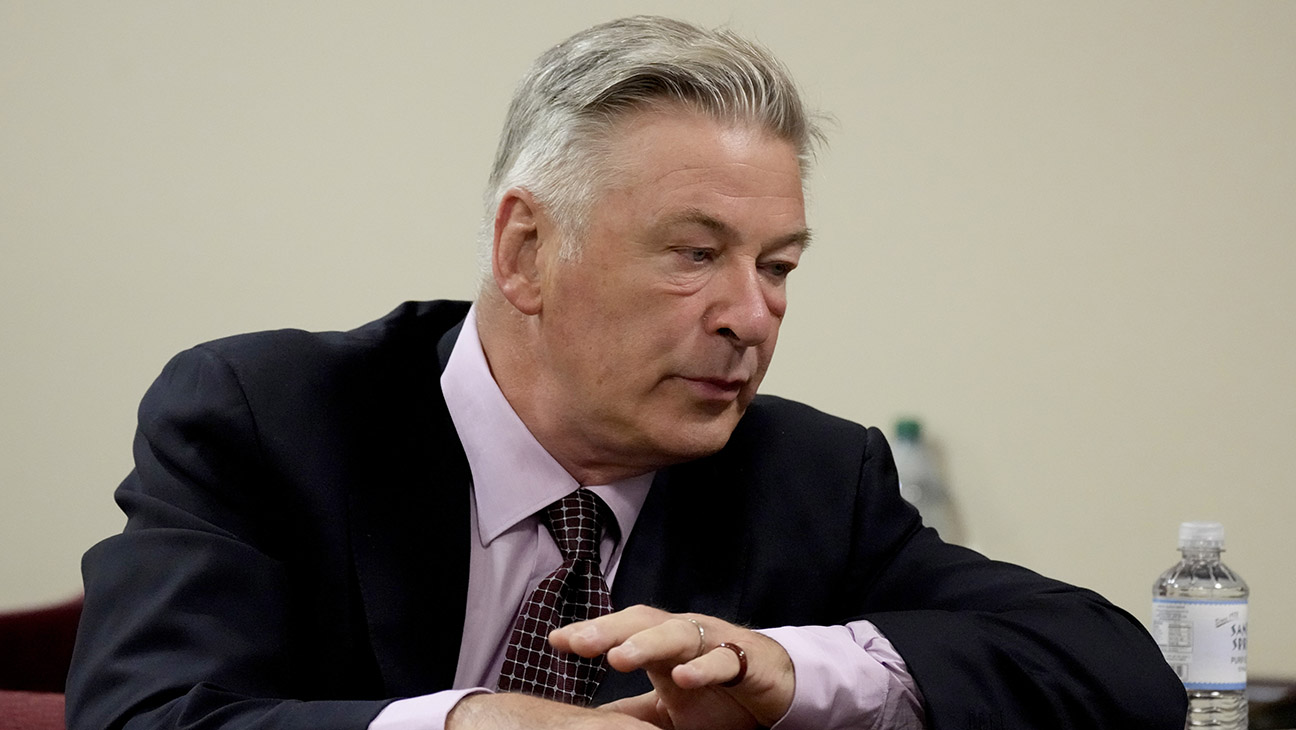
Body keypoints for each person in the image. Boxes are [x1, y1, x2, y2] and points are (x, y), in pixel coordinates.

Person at [66, 15, 1187, 730]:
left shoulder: (809, 473)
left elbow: (1121, 675)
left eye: (779, 265)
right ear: (525, 251)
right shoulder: (270, 417)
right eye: (696, 255)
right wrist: (462, 728)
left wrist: (791, 670)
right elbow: (143, 715)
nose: (754, 315)